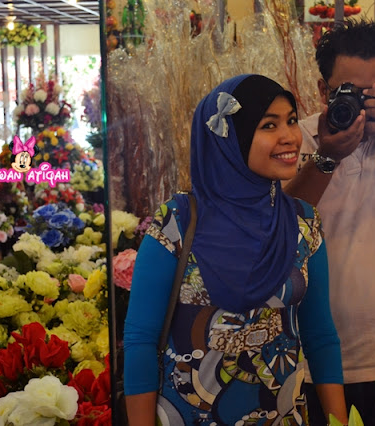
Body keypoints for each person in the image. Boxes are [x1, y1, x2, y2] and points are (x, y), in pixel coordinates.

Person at [123, 74, 348, 426]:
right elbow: (140, 340)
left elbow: (320, 337)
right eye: (269, 125)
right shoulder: (177, 223)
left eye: (291, 121)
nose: (289, 136)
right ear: (229, 138)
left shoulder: (303, 224)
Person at [284, 19, 375, 425]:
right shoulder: (296, 139)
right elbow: (282, 232)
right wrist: (327, 157)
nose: (365, 105)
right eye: (352, 93)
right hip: (312, 362)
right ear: (323, 90)